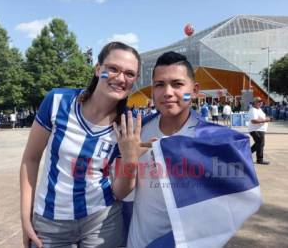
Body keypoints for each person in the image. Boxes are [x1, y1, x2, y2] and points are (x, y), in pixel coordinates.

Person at [115, 51, 261, 248]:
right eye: (159, 85)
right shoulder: (134, 133)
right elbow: (121, 193)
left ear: (194, 90)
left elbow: (231, 206)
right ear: (152, 91)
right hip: (137, 242)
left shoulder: (212, 143)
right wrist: (129, 160)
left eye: (177, 84)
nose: (167, 92)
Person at [20, 41, 141, 248]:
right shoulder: (58, 101)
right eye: (113, 69)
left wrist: (131, 158)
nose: (121, 78)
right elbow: (30, 159)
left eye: (129, 74)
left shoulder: (129, 121)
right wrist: (25, 217)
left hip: (103, 219)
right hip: (50, 221)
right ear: (98, 69)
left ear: (135, 80)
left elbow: (121, 192)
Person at [248, 96, 271, 165]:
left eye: (261, 102)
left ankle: (245, 154)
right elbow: (254, 121)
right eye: (258, 101)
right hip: (256, 130)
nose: (260, 103)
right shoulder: (253, 110)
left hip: (259, 130)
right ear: (254, 103)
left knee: (258, 144)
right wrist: (265, 120)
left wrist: (267, 118)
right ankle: (260, 159)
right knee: (260, 144)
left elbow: (261, 118)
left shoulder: (259, 109)